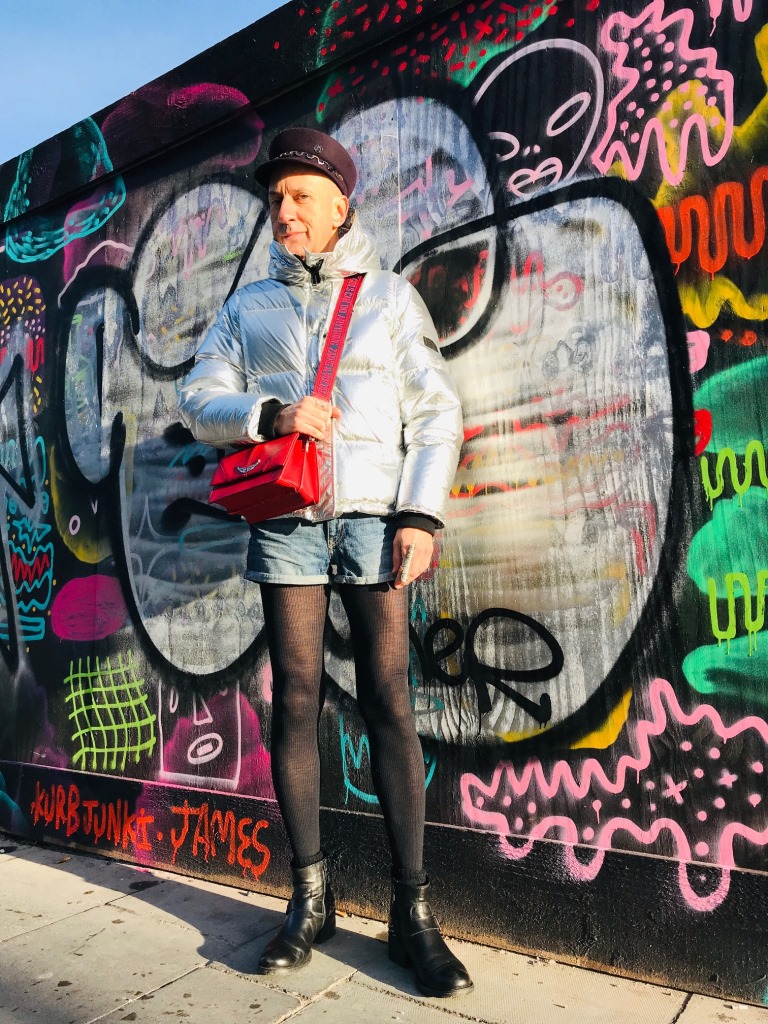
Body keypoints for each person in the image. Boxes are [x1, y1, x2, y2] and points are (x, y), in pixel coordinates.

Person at [178, 127, 471, 998]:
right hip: (288, 525)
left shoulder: (389, 299)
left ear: (341, 205)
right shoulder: (248, 307)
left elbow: (436, 412)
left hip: (376, 522)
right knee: (296, 699)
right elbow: (196, 397)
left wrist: (420, 514)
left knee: (389, 700)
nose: (285, 211)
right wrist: (270, 415)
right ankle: (309, 899)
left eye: (301, 197)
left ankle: (412, 914)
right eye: (276, 199)